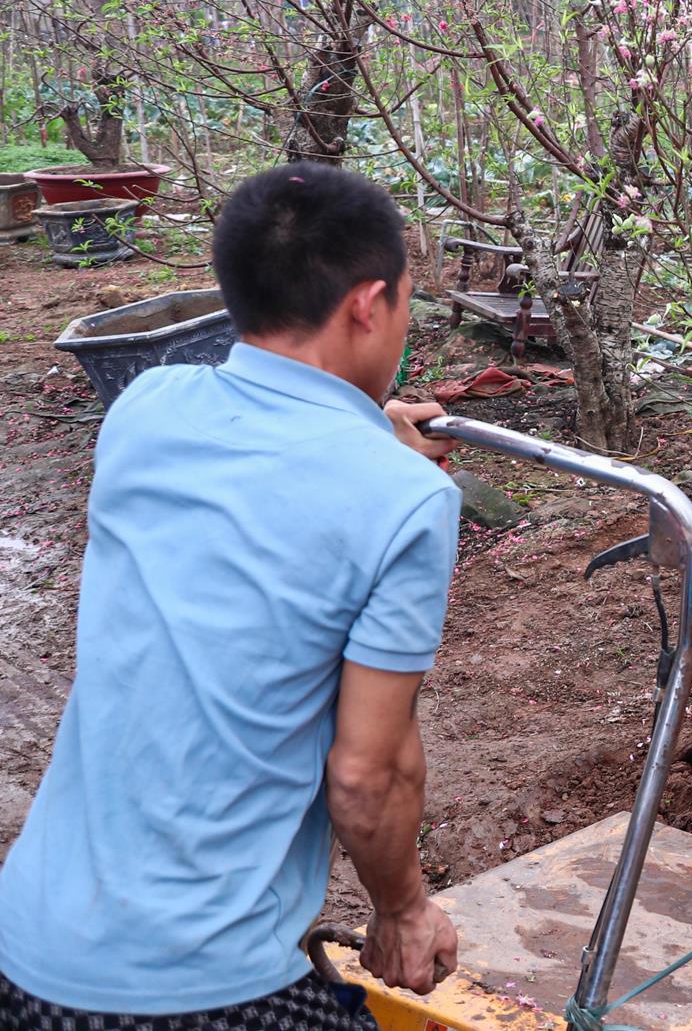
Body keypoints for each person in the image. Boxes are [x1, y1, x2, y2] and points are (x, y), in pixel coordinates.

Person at [0, 164, 464, 1028]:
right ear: (368, 304)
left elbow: (270, 477)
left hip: (26, 945)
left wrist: (365, 432)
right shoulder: (407, 502)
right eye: (405, 302)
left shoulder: (146, 407)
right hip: (194, 990)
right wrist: (403, 909)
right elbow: (367, 777)